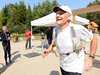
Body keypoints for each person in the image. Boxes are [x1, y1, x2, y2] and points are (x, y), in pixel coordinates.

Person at [42, 5, 98, 75]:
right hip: (63, 65)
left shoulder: (77, 29)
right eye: (57, 14)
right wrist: (48, 51)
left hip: (75, 67)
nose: (57, 15)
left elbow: (94, 39)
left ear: (69, 16)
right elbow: (53, 43)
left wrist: (91, 57)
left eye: (61, 13)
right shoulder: (55, 30)